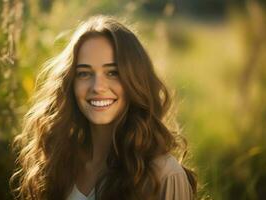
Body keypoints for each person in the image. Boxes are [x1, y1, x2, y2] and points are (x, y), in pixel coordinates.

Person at [11, 15, 196, 200]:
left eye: (112, 72)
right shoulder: (58, 163)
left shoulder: (164, 175)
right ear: (70, 83)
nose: (97, 86)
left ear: (135, 80)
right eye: (84, 73)